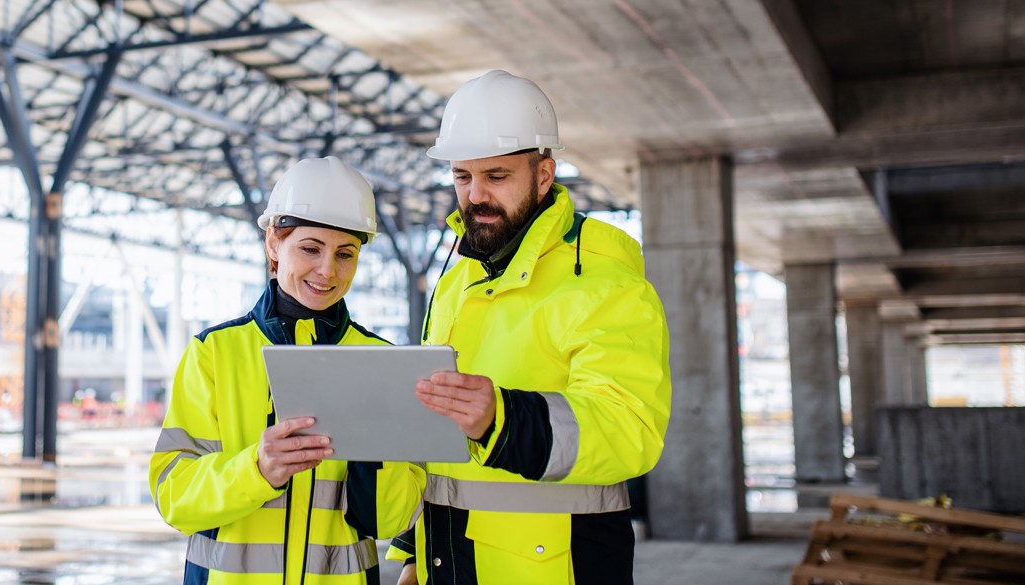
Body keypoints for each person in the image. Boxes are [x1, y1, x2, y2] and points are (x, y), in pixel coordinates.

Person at [389, 70, 671, 584]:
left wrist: (503, 417)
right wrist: (414, 549)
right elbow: (441, 434)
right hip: (449, 561)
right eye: (461, 176)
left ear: (544, 175)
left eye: (496, 176)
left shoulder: (606, 284)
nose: (475, 196)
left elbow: (630, 431)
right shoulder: (456, 284)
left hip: (559, 566)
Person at [151, 157, 427, 584]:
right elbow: (174, 497)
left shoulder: (380, 361)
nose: (327, 270)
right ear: (274, 244)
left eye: (345, 254)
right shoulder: (215, 353)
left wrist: (375, 452)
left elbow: (394, 520)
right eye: (310, 248)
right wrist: (256, 470)